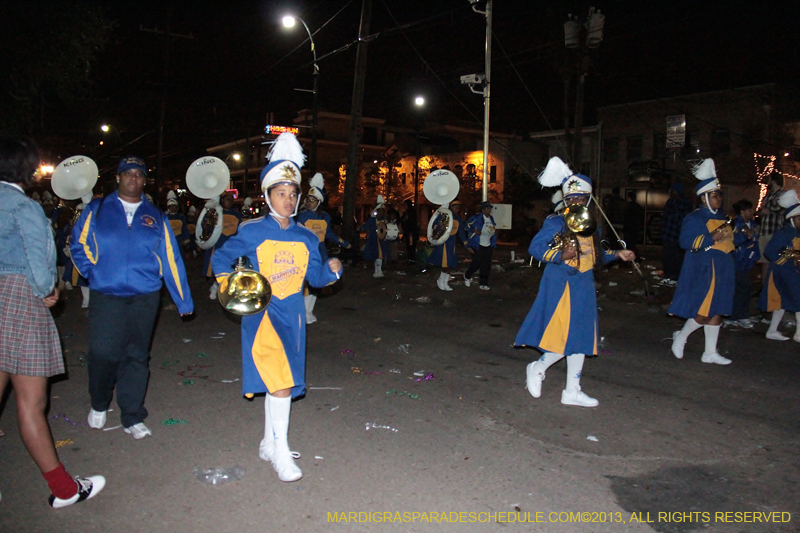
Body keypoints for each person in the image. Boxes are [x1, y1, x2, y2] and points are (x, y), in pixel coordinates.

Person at [212, 132, 342, 482]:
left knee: (278, 383)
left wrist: (333, 271)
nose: (288, 199)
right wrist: (232, 286)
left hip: (294, 320)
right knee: (281, 382)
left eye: (292, 194)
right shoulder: (251, 231)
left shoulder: (306, 237)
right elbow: (221, 259)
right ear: (268, 195)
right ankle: (281, 452)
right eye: (281, 193)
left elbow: (315, 278)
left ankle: (268, 443)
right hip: (263, 318)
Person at [0, 136, 105, 507]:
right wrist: (51, 290)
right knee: (31, 403)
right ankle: (64, 490)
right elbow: (42, 273)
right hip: (17, 301)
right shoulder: (23, 207)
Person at [71, 156, 194, 439]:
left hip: (144, 296)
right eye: (128, 173)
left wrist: (183, 300)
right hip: (106, 294)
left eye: (139, 174)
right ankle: (100, 402)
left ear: (144, 181)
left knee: (135, 356)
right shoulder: (97, 209)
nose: (133, 178)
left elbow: (170, 259)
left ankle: (132, 415)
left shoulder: (156, 216)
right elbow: (79, 243)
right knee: (103, 353)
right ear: (118, 178)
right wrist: (93, 272)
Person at [515, 157, 635, 407]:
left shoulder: (594, 229)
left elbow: (595, 256)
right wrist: (561, 254)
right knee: (562, 337)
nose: (575, 203)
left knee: (581, 337)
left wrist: (617, 254)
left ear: (589, 200)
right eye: (571, 199)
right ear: (565, 201)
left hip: (584, 286)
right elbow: (535, 248)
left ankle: (572, 391)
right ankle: (538, 367)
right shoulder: (555, 222)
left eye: (580, 198)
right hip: (561, 286)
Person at [668, 159, 735, 365]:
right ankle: (681, 337)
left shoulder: (723, 218)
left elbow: (728, 243)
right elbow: (685, 242)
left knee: (717, 311)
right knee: (703, 312)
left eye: (719, 195)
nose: (719, 199)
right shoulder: (694, 218)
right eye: (714, 196)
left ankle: (710, 352)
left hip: (723, 268)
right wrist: (709, 238)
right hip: (705, 269)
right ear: (704, 198)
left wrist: (743, 236)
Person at [295, 173, 350, 323]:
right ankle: (304, 312)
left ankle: (309, 311)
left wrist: (343, 243)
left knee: (317, 284)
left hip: (320, 253)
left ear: (319, 202)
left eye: (313, 200)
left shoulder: (325, 217)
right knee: (306, 284)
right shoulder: (301, 217)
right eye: (308, 199)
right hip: (305, 253)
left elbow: (329, 234)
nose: (309, 202)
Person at [759, 189, 800, 342]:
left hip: (792, 271)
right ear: (791, 219)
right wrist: (790, 256)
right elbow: (770, 251)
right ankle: (798, 333)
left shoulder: (796, 234)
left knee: (782, 301)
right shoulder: (783, 233)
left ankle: (772, 330)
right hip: (782, 271)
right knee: (795, 299)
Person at [204, 190, 242, 299]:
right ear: (222, 200)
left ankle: (223, 287)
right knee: (216, 267)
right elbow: (207, 229)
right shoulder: (217, 213)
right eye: (227, 199)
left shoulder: (237, 214)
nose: (229, 201)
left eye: (231, 200)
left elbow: (239, 230)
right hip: (218, 244)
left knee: (232, 268)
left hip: (232, 245)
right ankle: (216, 286)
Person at [727, 199, 760, 325]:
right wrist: (745, 235)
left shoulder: (752, 224)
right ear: (742, 211)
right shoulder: (734, 225)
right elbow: (731, 242)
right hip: (737, 261)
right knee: (744, 287)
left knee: (743, 288)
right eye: (749, 210)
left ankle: (738, 315)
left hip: (747, 261)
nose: (752, 212)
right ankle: (738, 315)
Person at [427, 199, 467, 291]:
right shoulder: (444, 216)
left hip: (452, 243)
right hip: (443, 242)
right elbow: (434, 226)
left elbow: (461, 232)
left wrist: (465, 242)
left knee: (450, 264)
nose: (457, 210)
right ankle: (441, 281)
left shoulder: (458, 219)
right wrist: (439, 228)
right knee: (445, 264)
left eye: (458, 208)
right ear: (451, 207)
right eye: (455, 208)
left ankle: (445, 282)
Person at [659, 182, 693, 285]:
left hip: (677, 235)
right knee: (667, 256)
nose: (670, 192)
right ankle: (668, 275)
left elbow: (685, 220)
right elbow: (665, 216)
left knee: (677, 257)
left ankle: (676, 276)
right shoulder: (670, 201)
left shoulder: (685, 203)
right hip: (667, 234)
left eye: (672, 190)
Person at [757, 173, 785, 281]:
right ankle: (765, 285)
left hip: (775, 231)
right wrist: (763, 211)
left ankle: (774, 285)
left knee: (775, 259)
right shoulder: (768, 195)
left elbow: (781, 209)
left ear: (773, 181)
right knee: (764, 261)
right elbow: (761, 211)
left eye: (769, 179)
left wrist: (768, 209)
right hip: (764, 231)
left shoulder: (782, 194)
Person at [464, 201, 497, 290]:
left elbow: (492, 229)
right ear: (483, 210)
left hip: (488, 244)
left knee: (486, 265)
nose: (489, 210)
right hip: (478, 244)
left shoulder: (491, 218)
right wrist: (474, 231)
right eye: (487, 208)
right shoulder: (476, 217)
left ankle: (483, 283)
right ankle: (467, 275)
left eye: (489, 208)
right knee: (477, 262)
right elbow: (466, 225)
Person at [362, 195, 390, 278]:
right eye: (380, 211)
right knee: (377, 255)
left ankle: (379, 271)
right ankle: (377, 271)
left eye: (382, 211)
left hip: (382, 240)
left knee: (380, 256)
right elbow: (366, 227)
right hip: (374, 240)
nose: (381, 212)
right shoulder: (372, 219)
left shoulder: (385, 220)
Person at [165, 190, 191, 257]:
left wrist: (187, 245)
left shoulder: (181, 217)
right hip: (167, 243)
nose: (173, 208)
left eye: (174, 206)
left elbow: (184, 230)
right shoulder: (164, 218)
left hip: (179, 242)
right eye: (171, 206)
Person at [623, 190, 644, 258]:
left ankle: (630, 256)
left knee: (628, 243)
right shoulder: (638, 206)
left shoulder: (627, 206)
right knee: (633, 243)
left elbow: (625, 217)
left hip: (629, 228)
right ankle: (634, 256)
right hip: (635, 228)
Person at [400, 199, 418, 263]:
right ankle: (410, 259)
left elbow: (411, 223)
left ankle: (412, 259)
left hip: (411, 232)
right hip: (408, 232)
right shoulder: (406, 213)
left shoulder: (411, 212)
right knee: (408, 245)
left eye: (405, 205)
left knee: (411, 245)